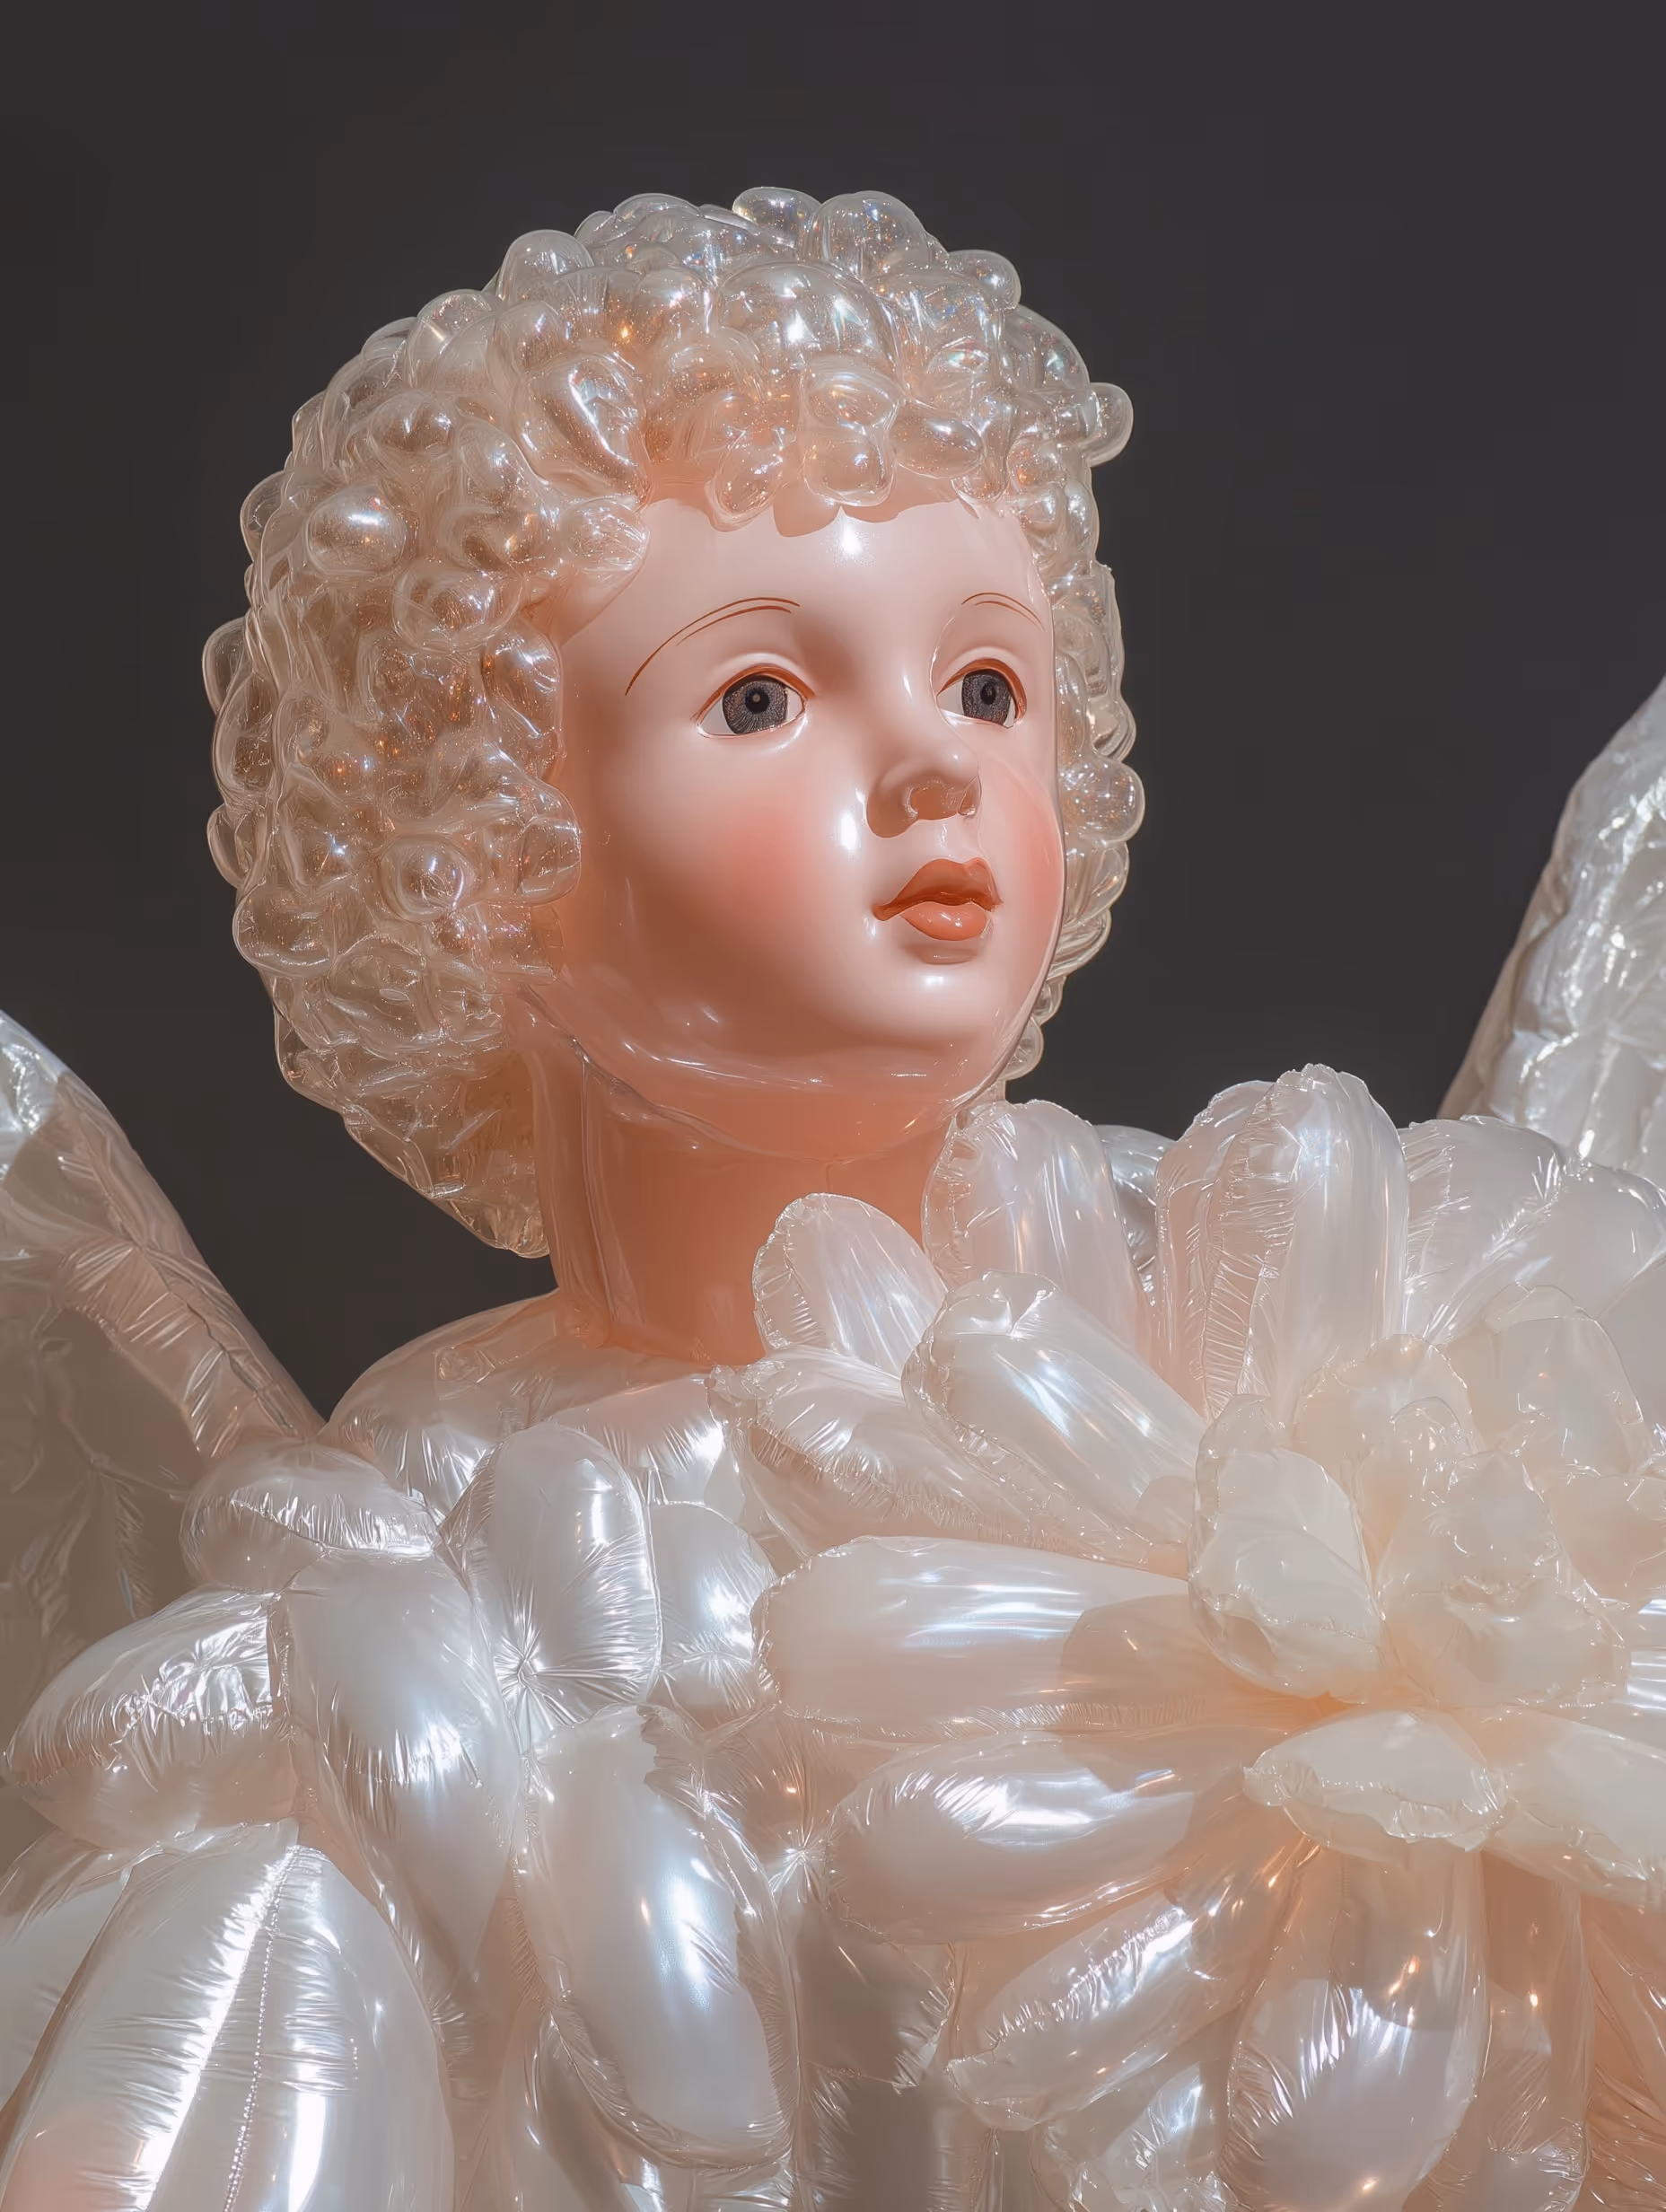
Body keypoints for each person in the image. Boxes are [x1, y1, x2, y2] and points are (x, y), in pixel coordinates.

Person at [1, 187, 1662, 2211]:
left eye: (988, 685)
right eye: (761, 699)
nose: (932, 765)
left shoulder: (1307, 1340)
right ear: (475, 846)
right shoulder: (402, 1593)